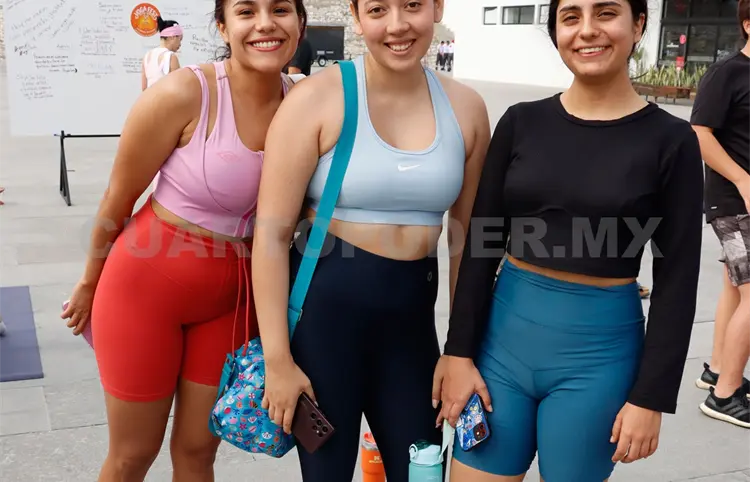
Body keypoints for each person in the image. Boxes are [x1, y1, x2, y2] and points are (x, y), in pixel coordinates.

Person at [433, 0, 704, 480]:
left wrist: (651, 396)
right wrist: (458, 351)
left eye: (606, 13)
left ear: (638, 24)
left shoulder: (672, 140)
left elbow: (678, 280)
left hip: (598, 363)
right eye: (571, 17)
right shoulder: (520, 122)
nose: (587, 30)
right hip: (500, 352)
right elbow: (480, 245)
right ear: (556, 30)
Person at [60, 0, 306, 480]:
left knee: (197, 453)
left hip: (235, 300)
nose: (265, 24)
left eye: (280, 9)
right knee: (133, 454)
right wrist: (90, 282)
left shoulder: (306, 101)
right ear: (223, 26)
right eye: (246, 11)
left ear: (300, 22)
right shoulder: (185, 93)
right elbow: (118, 197)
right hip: (145, 289)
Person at [250, 0, 490, 480]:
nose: (397, 25)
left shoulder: (465, 108)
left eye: (413, 5)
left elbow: (468, 243)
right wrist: (277, 360)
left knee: (422, 471)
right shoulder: (317, 99)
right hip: (324, 331)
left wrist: (460, 349)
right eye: (378, 9)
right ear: (357, 17)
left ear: (437, 7)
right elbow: (271, 237)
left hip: (411, 334)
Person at [690, 0, 750, 428]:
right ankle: (724, 394)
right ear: (748, 24)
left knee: (736, 284)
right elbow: (699, 133)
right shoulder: (727, 72)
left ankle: (717, 369)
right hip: (733, 202)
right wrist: (743, 180)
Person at [141, 16, 183, 91]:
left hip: (150, 98)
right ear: (172, 37)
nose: (180, 44)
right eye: (180, 39)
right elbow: (178, 87)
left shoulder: (147, 56)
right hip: (166, 98)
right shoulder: (171, 57)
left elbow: (144, 88)